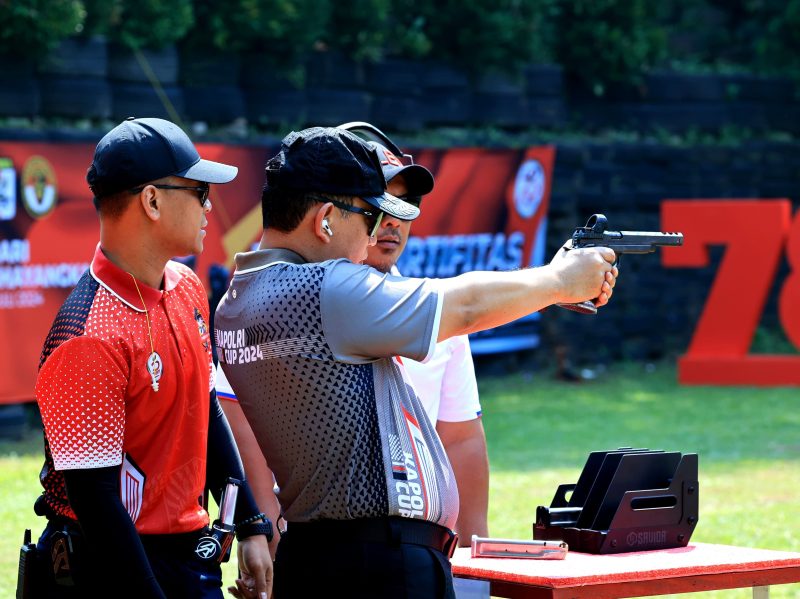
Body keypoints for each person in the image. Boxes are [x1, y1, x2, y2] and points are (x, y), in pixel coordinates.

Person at [213, 126, 617, 598]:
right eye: (368, 216)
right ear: (325, 219)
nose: (373, 236)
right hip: (376, 564)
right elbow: (463, 305)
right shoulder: (323, 291)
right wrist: (560, 280)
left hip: (329, 552)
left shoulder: (240, 298)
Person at [32, 117, 272, 599]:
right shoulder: (87, 334)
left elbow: (204, 410)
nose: (210, 205)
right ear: (152, 200)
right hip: (109, 569)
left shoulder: (185, 287)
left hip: (183, 559)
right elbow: (97, 504)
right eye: (199, 191)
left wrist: (248, 522)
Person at [354, 127, 490, 545]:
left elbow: (461, 437)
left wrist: (472, 557)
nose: (394, 219)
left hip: (421, 547)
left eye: (406, 204)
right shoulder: (292, 301)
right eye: (378, 203)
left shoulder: (435, 309)